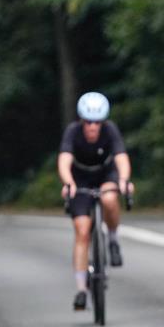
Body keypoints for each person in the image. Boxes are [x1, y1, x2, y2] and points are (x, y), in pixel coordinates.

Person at [58, 92, 132, 311]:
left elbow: (121, 158)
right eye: (88, 122)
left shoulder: (110, 130)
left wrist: (125, 180)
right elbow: (64, 160)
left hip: (105, 174)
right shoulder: (72, 132)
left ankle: (112, 238)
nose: (92, 127)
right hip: (79, 177)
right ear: (82, 120)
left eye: (97, 122)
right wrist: (68, 182)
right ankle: (81, 289)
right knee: (82, 230)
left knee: (109, 198)